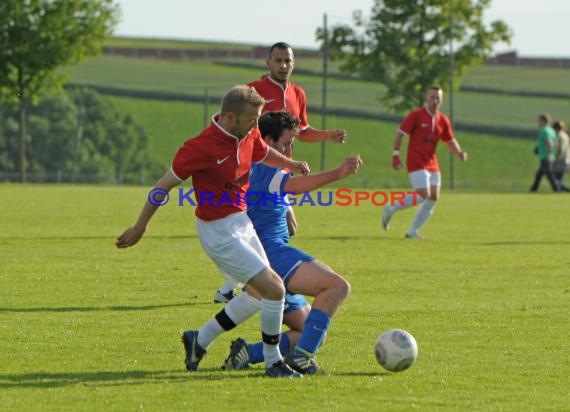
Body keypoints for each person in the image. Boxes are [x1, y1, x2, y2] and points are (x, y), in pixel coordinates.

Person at [115, 85, 311, 378]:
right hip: (218, 232)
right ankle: (273, 362)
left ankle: (199, 339)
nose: (256, 126)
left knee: (259, 295)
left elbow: (263, 151)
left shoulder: (247, 133)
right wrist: (140, 225)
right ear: (230, 117)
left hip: (241, 222)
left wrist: (290, 163)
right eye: (252, 121)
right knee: (275, 288)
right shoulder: (200, 147)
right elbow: (164, 185)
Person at [223, 110, 363, 374]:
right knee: (337, 287)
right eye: (285, 143)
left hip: (266, 256)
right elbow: (296, 185)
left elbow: (281, 194)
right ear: (266, 142)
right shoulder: (263, 167)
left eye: (292, 143)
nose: (290, 149)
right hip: (272, 255)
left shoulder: (262, 169)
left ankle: (247, 352)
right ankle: (301, 359)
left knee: (311, 330)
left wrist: (286, 214)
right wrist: (338, 173)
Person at [213, 41, 347, 303]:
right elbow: (233, 125)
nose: (284, 65)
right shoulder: (253, 91)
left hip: (282, 174)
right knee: (259, 228)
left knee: (283, 230)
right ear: (268, 63)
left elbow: (302, 131)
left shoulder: (298, 93)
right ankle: (238, 287)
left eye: (288, 60)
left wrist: (327, 135)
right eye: (278, 60)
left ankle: (244, 288)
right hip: (257, 173)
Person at [381, 85, 468, 239]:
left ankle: (413, 231)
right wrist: (396, 155)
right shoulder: (416, 115)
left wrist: (459, 153)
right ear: (426, 99)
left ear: (442, 101)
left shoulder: (443, 120)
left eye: (438, 98)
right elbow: (400, 133)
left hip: (432, 162)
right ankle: (391, 208)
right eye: (432, 97)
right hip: (416, 161)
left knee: (434, 197)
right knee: (423, 194)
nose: (435, 100)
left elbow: (450, 141)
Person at [529, 113, 560, 192]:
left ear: (543, 121)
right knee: (539, 174)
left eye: (539, 120)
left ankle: (559, 190)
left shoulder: (544, 131)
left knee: (550, 176)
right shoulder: (551, 130)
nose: (538, 122)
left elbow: (549, 143)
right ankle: (533, 190)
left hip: (546, 157)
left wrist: (548, 154)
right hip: (549, 156)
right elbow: (556, 144)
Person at [552, 120, 570, 192]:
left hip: (561, 159)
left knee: (555, 179)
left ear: (555, 128)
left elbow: (561, 149)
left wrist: (555, 157)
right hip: (567, 158)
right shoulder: (566, 135)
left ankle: (566, 190)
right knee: (559, 178)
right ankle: (561, 192)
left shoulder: (559, 136)